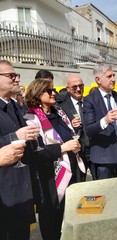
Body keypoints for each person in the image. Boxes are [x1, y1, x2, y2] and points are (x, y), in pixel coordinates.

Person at [24, 78, 81, 240]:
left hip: (71, 173)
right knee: (52, 223)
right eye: (49, 91)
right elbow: (36, 153)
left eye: (54, 90)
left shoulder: (59, 113)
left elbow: (70, 136)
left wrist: (75, 145)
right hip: (49, 179)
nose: (54, 93)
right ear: (38, 93)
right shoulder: (30, 118)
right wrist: (63, 148)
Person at [0, 60, 40, 240]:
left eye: (16, 76)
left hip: (22, 189)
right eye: (11, 76)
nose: (16, 79)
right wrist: (14, 137)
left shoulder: (15, 106)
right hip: (5, 193)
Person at [83, 63, 117, 180]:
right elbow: (89, 129)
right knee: (105, 194)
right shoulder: (89, 100)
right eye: (109, 76)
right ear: (98, 80)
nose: (113, 79)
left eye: (114, 75)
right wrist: (105, 120)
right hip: (104, 157)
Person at [60, 74, 90, 181]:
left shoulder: (90, 102)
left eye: (81, 86)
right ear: (68, 89)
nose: (78, 89)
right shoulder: (62, 108)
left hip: (93, 149)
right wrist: (70, 125)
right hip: (76, 152)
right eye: (74, 87)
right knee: (79, 183)